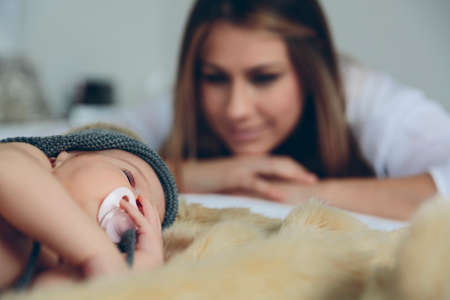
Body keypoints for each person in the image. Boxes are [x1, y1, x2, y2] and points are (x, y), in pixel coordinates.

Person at [154, 0, 450, 221]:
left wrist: (292, 195)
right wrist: (193, 175)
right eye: (215, 78)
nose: (236, 110)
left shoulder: (366, 98)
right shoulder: (186, 100)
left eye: (264, 77)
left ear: (310, 72)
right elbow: (107, 138)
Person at [0, 124, 178, 290]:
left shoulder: (61, 262)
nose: (135, 207)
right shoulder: (30, 158)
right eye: (129, 177)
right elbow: (7, 169)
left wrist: (131, 271)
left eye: (145, 217)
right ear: (65, 156)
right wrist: (101, 254)